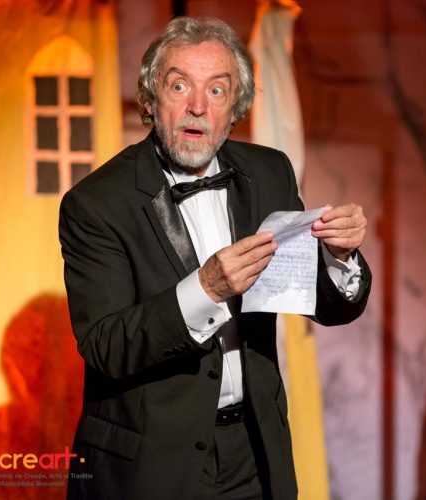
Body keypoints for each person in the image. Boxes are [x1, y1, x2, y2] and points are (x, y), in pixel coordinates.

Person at [59, 16, 371, 500]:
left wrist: (339, 255)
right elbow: (106, 346)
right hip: (151, 464)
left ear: (236, 107)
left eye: (217, 90)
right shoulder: (96, 203)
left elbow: (321, 303)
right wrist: (204, 291)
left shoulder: (270, 172)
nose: (197, 107)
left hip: (255, 452)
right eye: (179, 85)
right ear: (150, 99)